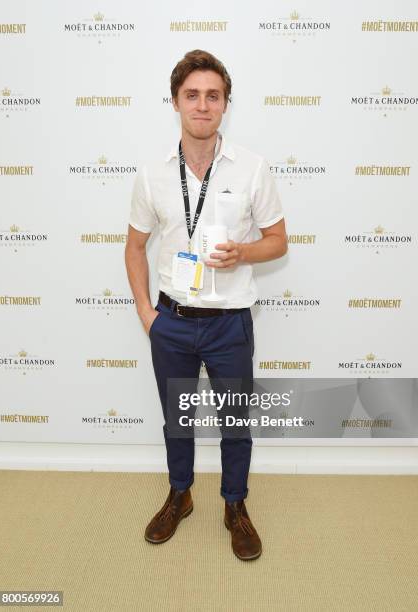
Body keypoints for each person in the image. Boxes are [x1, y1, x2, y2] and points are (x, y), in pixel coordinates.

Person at [125, 49, 287, 561]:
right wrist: (146, 314)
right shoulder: (152, 175)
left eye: (212, 96)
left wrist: (244, 252)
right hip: (170, 322)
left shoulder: (253, 168)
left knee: (236, 424)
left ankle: (235, 504)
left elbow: (278, 241)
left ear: (225, 105)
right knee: (177, 421)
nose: (202, 105)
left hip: (230, 325)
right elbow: (134, 247)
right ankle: (180, 494)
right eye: (191, 95)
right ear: (175, 102)